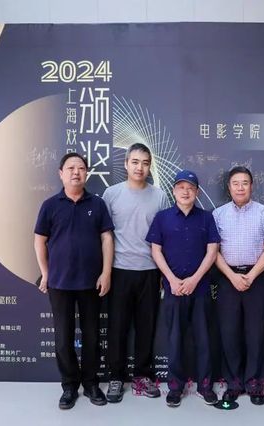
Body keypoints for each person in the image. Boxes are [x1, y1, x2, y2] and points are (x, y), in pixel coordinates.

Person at [34, 152, 114, 410]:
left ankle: (90, 384)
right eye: (70, 168)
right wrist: (45, 272)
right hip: (59, 283)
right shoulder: (50, 205)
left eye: (81, 168)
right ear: (61, 174)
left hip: (91, 282)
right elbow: (39, 240)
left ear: (87, 173)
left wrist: (106, 272)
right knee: (63, 338)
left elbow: (107, 238)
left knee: (92, 336)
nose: (76, 172)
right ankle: (69, 386)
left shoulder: (97, 204)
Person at [146, 170, 220, 407]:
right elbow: (155, 250)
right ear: (173, 191)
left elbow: (212, 251)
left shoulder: (207, 218)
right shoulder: (162, 217)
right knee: (175, 339)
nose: (185, 192)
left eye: (190, 188)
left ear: (197, 192)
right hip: (173, 289)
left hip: (200, 288)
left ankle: (205, 386)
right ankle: (175, 388)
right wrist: (172, 280)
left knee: (204, 339)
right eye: (181, 187)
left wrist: (194, 280)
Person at [102, 143, 169, 403]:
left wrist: (163, 272)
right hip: (119, 270)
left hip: (150, 271)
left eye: (145, 163)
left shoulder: (159, 196)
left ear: (150, 166)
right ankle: (116, 377)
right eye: (135, 162)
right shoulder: (111, 194)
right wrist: (105, 271)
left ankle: (143, 376)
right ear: (126, 163)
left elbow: (164, 237)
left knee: (146, 327)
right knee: (117, 327)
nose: (140, 167)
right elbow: (104, 235)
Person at [213, 166, 264, 406]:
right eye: (235, 183)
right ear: (229, 187)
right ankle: (233, 384)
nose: (240, 187)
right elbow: (213, 251)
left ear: (252, 186)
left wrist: (250, 276)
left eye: (245, 183)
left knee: (255, 333)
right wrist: (232, 276)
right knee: (229, 332)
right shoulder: (218, 214)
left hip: (256, 278)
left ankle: (254, 383)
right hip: (227, 278)